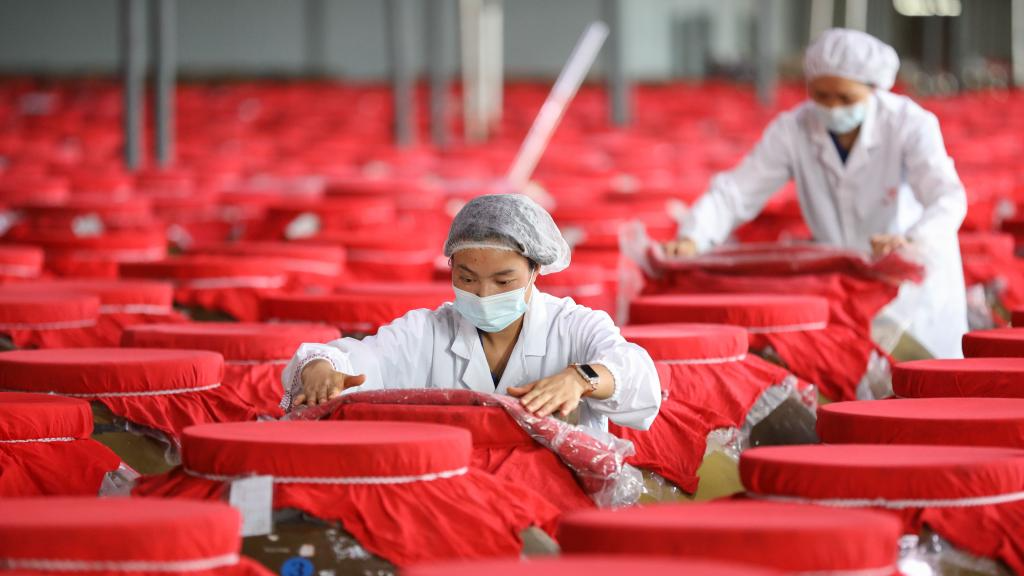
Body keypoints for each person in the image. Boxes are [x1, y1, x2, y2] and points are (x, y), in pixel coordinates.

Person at [664, 28, 968, 358]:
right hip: (844, 284)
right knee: (858, 374)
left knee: (922, 372)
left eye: (846, 98)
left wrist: (913, 240)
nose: (833, 108)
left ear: (873, 88)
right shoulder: (793, 129)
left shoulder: (909, 124)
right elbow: (737, 191)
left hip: (913, 288)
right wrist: (694, 236)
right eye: (821, 96)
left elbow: (947, 197)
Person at [282, 193, 661, 432]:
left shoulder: (573, 326)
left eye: (503, 280)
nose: (483, 293)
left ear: (536, 270)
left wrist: (581, 379)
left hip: (559, 493)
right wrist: (321, 369)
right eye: (466, 278)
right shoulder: (425, 331)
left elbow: (637, 376)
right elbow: (359, 359)